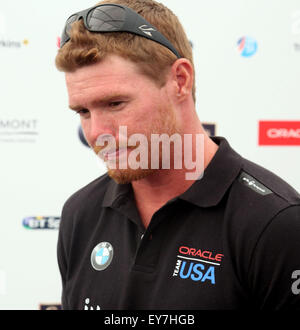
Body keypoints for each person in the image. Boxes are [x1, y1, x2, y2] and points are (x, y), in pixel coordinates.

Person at [55, 0, 300, 310]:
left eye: (115, 103)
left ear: (180, 81)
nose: (97, 132)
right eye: (83, 111)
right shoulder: (81, 213)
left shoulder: (276, 225)